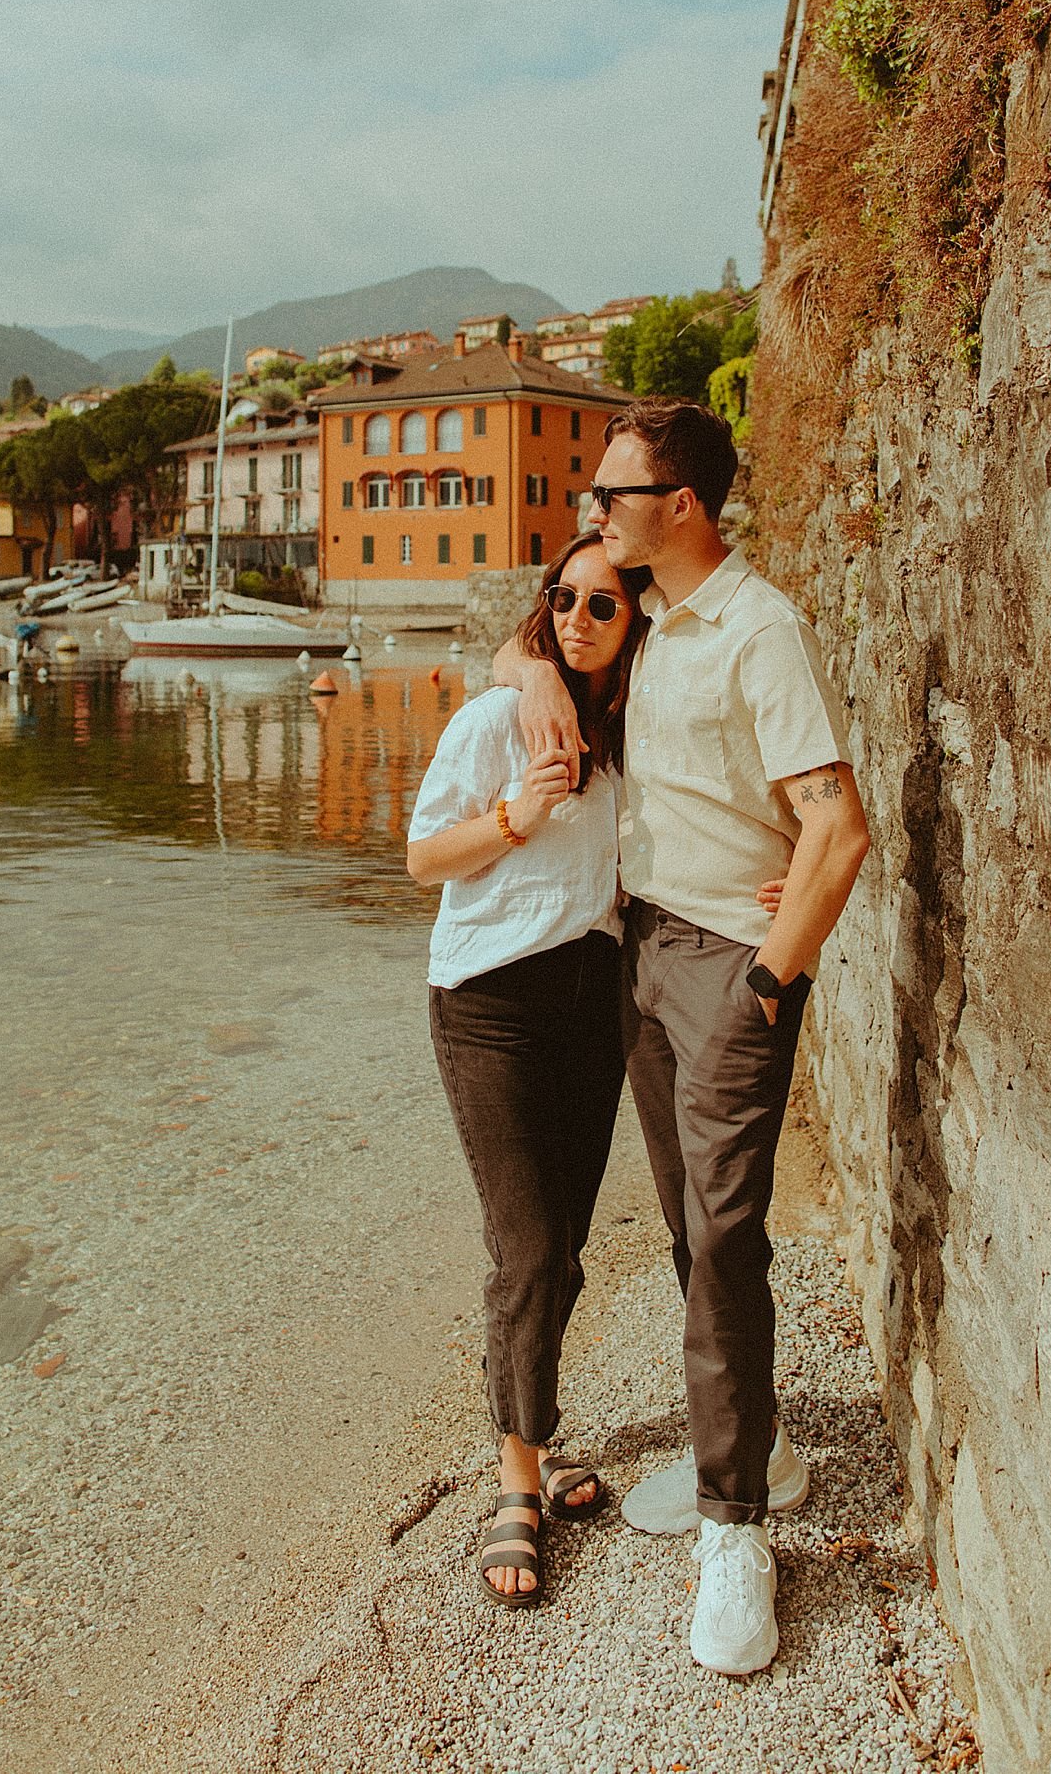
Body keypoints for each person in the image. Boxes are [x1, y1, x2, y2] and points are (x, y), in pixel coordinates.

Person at [493, 397, 870, 1676]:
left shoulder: (760, 632)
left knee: (720, 1236)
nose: (594, 512)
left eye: (613, 494)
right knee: (687, 1226)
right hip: (641, 953)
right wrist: (541, 665)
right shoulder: (645, 623)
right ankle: (758, 1445)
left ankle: (736, 1530)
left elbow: (840, 827)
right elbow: (519, 645)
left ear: (683, 506)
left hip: (725, 971)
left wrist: (772, 981)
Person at [406, 531, 646, 1606]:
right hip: (489, 1007)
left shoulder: (636, 736)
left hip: (594, 1008)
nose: (578, 619)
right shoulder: (498, 719)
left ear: (636, 623)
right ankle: (515, 1480)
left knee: (567, 1249)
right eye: (564, 599)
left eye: (604, 604)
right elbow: (420, 860)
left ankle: (535, 1437)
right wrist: (516, 815)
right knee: (529, 1248)